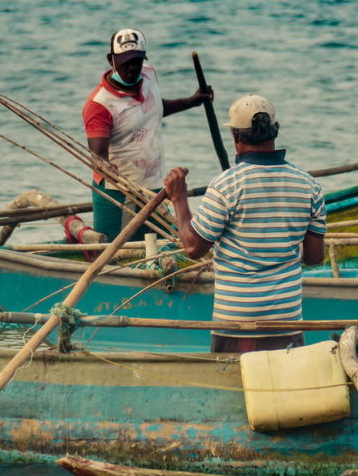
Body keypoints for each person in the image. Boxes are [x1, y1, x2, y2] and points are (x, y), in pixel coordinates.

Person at [163, 94, 326, 353]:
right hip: (286, 322)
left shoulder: (225, 186)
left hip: (236, 322)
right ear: (275, 131)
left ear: (236, 138)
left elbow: (193, 249)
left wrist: (179, 199)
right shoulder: (309, 186)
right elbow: (315, 257)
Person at [83, 28, 212, 241]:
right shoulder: (99, 105)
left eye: (137, 60)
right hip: (120, 194)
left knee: (160, 248)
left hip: (154, 186)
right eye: (125, 61)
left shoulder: (149, 74)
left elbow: (154, 110)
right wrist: (106, 168)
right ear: (111, 60)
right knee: (120, 254)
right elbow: (98, 159)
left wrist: (192, 101)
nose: (133, 67)